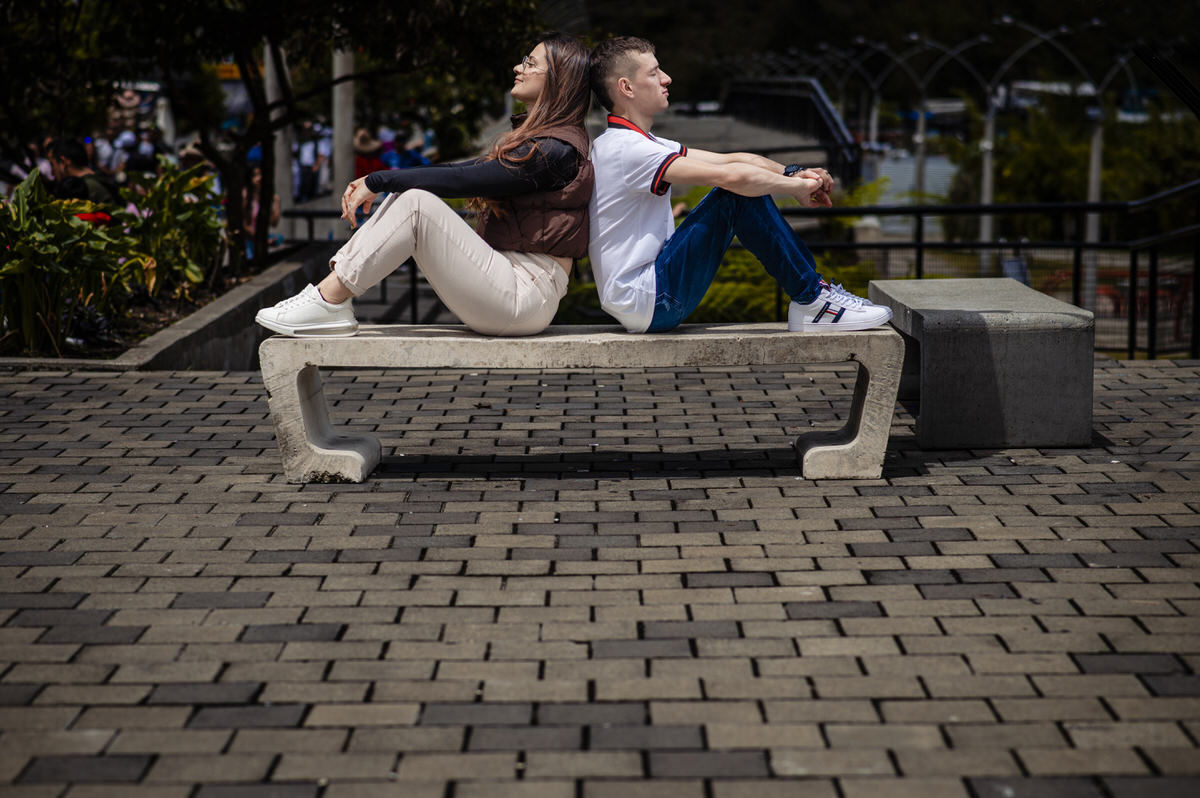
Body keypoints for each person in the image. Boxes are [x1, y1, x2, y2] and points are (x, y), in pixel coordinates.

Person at [255, 33, 594, 338]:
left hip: (524, 295)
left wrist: (379, 180)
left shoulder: (555, 150)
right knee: (412, 199)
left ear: (558, 82)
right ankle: (329, 298)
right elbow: (464, 171)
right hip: (510, 285)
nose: (517, 67)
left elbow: (462, 179)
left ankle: (328, 300)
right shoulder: (545, 144)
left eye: (530, 63)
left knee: (416, 204)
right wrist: (385, 181)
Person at [586, 36, 892, 334]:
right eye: (654, 73)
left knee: (739, 189)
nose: (667, 78)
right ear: (626, 87)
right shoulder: (627, 149)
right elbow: (732, 177)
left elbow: (732, 159)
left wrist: (795, 173)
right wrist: (795, 189)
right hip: (652, 299)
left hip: (648, 296)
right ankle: (813, 300)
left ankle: (813, 298)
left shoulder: (637, 142)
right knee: (737, 194)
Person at [47, 138, 120, 204]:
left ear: (64, 162)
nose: (52, 172)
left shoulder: (85, 188)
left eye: (52, 165)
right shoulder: (95, 180)